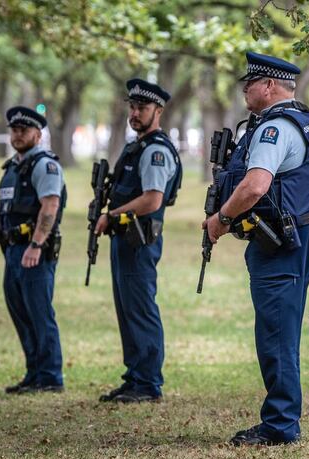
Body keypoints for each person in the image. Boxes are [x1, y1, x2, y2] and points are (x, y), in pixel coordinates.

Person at [204, 52, 309, 446]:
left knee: (276, 331)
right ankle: (281, 418)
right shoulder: (299, 118)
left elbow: (256, 185)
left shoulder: (276, 127)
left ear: (270, 86)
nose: (244, 89)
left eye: (250, 83)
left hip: (283, 240)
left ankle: (280, 424)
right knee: (279, 327)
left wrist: (221, 218)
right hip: (297, 232)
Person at [94, 79, 182, 403]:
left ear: (157, 111)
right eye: (132, 107)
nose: (135, 113)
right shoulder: (137, 146)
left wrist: (111, 214)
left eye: (142, 108)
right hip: (126, 239)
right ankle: (134, 377)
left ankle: (147, 383)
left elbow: (152, 200)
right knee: (127, 309)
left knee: (140, 309)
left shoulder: (156, 150)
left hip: (139, 240)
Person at [0, 106, 67, 394]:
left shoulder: (45, 165)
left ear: (37, 134)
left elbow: (50, 205)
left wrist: (36, 245)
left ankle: (51, 376)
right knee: (20, 312)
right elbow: (0, 211)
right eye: (14, 130)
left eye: (24, 130)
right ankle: (34, 373)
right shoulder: (11, 168)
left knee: (39, 313)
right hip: (12, 252)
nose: (17, 135)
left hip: (35, 253)